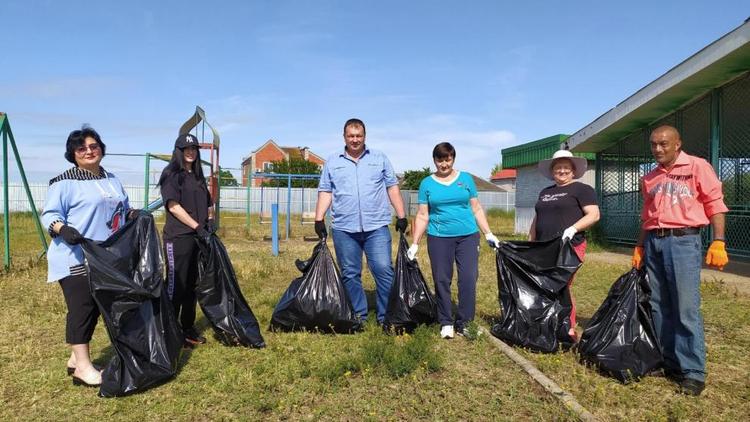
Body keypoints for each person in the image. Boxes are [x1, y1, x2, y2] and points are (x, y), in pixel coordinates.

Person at [631, 125, 728, 396]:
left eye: (663, 144)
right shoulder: (649, 177)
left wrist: (718, 240)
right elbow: (646, 215)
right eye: (653, 145)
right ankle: (669, 362)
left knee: (685, 307)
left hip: (684, 241)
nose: (658, 149)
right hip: (654, 241)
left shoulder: (697, 167)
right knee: (659, 306)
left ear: (677, 144)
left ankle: (692, 372)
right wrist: (640, 246)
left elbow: (715, 203)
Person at [42, 126, 132, 387]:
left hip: (105, 256)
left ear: (101, 148)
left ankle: (75, 358)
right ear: (73, 154)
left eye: (94, 146)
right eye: (82, 148)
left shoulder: (111, 179)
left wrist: (133, 214)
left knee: (96, 307)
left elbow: (122, 208)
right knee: (81, 309)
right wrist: (62, 228)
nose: (89, 151)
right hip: (75, 256)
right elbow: (50, 214)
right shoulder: (63, 182)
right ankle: (83, 368)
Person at [314, 118, 408, 326]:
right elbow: (326, 191)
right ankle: (359, 316)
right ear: (344, 137)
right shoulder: (333, 161)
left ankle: (386, 316)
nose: (355, 140)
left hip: (376, 227)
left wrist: (401, 215)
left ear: (365, 136)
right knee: (349, 273)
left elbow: (392, 187)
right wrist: (319, 219)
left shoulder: (379, 158)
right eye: (351, 136)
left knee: (384, 270)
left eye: (359, 136)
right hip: (344, 228)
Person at [407, 142, 501, 339]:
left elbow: (476, 208)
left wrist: (488, 233)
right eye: (439, 160)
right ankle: (446, 321)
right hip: (439, 237)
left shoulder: (465, 179)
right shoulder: (427, 183)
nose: (444, 164)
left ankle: (465, 322)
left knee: (468, 277)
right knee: (442, 278)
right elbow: (423, 215)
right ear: (434, 160)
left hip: (467, 235)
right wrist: (415, 242)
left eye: (447, 159)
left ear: (453, 159)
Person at [529, 149, 600, 341]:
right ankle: (548, 322)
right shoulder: (546, 192)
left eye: (566, 167)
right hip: (544, 246)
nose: (562, 171)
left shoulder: (582, 190)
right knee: (545, 285)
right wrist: (531, 242)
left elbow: (594, 215)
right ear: (552, 171)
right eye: (558, 167)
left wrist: (573, 228)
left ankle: (567, 326)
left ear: (573, 170)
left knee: (562, 285)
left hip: (569, 246)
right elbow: (538, 217)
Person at [159, 133, 215, 347]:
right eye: (186, 149)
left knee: (193, 284)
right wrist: (196, 226)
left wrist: (209, 221)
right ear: (178, 151)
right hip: (179, 238)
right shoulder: (172, 174)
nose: (190, 152)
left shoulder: (198, 176)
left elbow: (209, 204)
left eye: (194, 149)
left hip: (198, 238)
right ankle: (169, 331)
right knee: (176, 285)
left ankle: (187, 328)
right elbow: (173, 205)